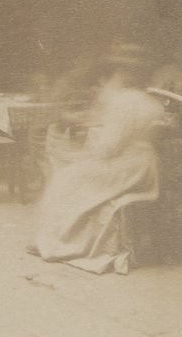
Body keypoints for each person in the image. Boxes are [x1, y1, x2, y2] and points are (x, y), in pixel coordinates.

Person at [29, 43, 165, 275]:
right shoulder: (151, 101)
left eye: (118, 72)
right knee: (73, 174)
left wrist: (90, 144)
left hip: (126, 167)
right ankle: (59, 238)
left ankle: (63, 243)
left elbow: (109, 148)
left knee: (67, 178)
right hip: (146, 165)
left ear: (124, 75)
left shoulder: (123, 102)